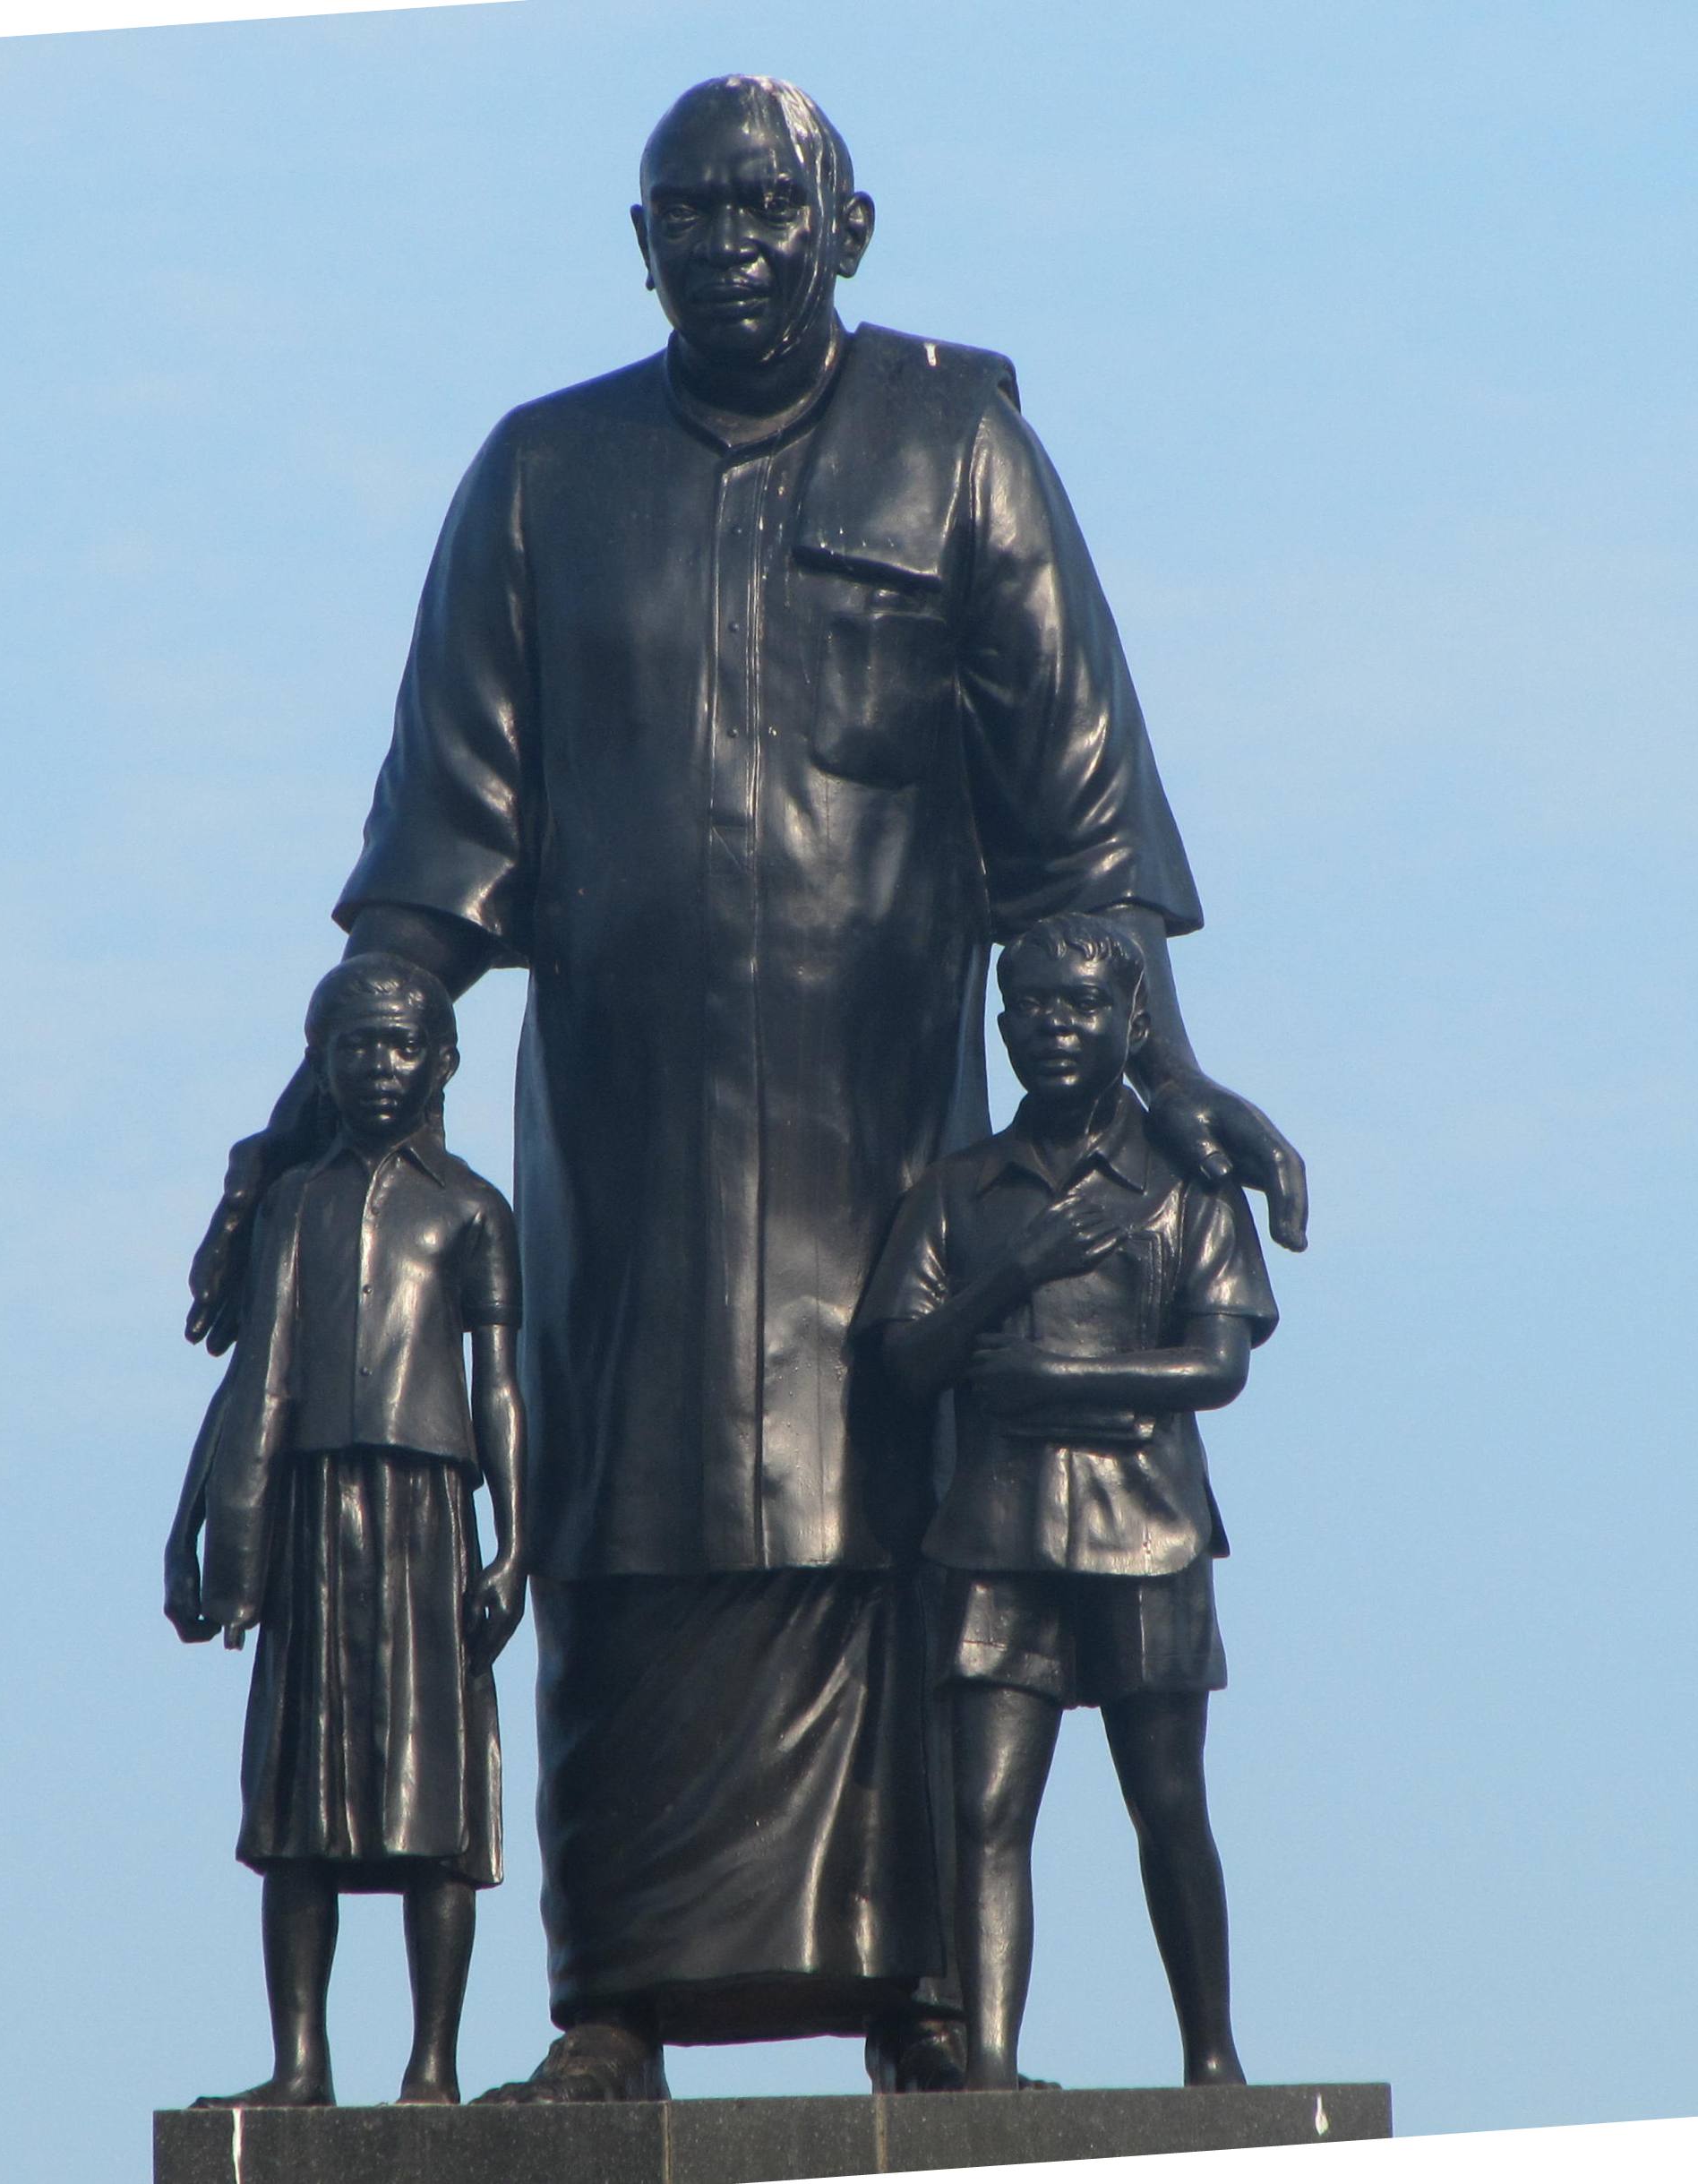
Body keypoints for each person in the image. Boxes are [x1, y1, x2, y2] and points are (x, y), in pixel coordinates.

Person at [182, 75, 1308, 2100]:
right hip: (623, 1148)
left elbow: (1079, 837)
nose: (727, 245)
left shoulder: (962, 454)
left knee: (892, 1521)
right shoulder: (541, 478)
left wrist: (1171, 1074)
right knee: (622, 1511)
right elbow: (431, 867)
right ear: (640, 247)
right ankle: (611, 1996)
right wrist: (289, 1141)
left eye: (764, 207)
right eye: (689, 214)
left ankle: (925, 1995)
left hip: (885, 1144)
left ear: (845, 228)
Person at [859, 912, 1278, 2091]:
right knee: (987, 1808)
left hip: (1149, 1526)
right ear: (1001, 1026)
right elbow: (904, 1361)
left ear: (1126, 1021)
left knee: (1168, 1801)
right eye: (1032, 1006)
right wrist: (1016, 1269)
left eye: (1079, 1005)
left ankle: (1211, 2056)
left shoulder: (1184, 1186)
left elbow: (1219, 1365)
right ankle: (989, 2067)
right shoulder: (958, 1191)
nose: (1053, 1027)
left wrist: (1058, 1377)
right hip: (997, 1529)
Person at [165, 956, 527, 2107]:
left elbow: (500, 1387)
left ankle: (433, 2066)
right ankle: (300, 2064)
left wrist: (513, 1540)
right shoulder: (294, 1203)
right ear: (320, 1063)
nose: (378, 1064)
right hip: (311, 1513)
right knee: (294, 1804)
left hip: (430, 1513)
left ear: (442, 1061)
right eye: (356, 1044)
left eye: (400, 1043)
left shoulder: (472, 1208)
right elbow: (251, 1381)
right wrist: (203, 1530)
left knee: (438, 1801)